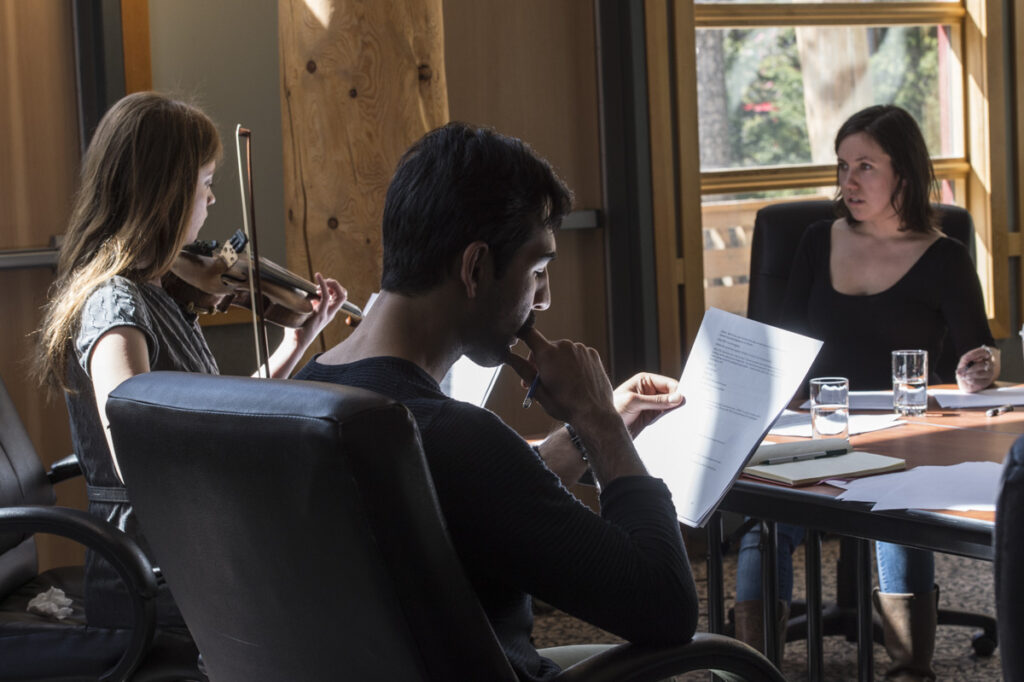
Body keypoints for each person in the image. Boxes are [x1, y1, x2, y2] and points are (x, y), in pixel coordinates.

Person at [294, 122, 699, 681]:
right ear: (475, 267)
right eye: (537, 270)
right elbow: (665, 606)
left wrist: (584, 435)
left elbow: (463, 505)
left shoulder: (301, 399)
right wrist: (600, 422)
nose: (546, 297)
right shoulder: (452, 435)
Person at [34, 92, 348, 631]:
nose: (211, 202)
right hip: (150, 573)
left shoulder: (155, 298)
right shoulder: (116, 305)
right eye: (205, 183)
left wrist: (294, 347)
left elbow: (204, 420)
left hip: (185, 553)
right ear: (167, 196)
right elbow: (141, 447)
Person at [734, 104, 997, 681]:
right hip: (815, 429)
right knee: (765, 516)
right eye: (842, 166)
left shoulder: (944, 257)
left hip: (903, 434)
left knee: (898, 502)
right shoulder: (812, 241)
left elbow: (975, 357)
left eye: (865, 167)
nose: (847, 182)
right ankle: (750, 667)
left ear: (903, 173)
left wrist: (978, 368)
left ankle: (910, 669)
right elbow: (782, 347)